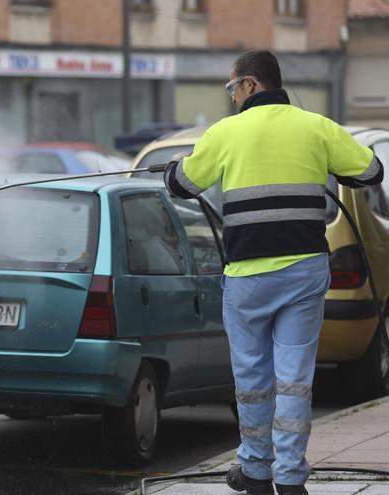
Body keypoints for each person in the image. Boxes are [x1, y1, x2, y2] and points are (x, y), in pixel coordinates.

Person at [163, 50, 383, 495]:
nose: (232, 97)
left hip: (247, 277)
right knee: (295, 379)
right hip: (304, 272)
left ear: (250, 85)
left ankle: (255, 471)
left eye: (232, 88)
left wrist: (172, 166)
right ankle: (290, 478)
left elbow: (180, 185)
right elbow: (371, 171)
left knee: (252, 380)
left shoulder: (226, 132)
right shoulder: (316, 126)